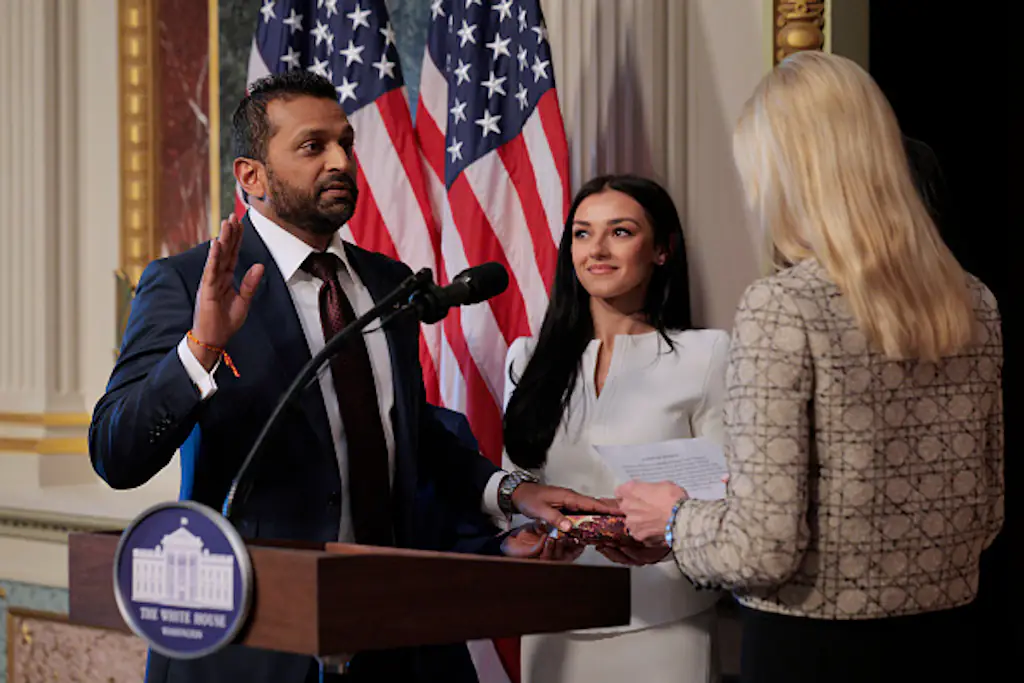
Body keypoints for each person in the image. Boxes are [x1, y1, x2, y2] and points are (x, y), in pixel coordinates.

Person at [89, 71, 614, 683]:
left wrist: (510, 493)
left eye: (346, 143)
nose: (340, 161)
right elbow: (116, 453)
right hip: (255, 642)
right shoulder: (188, 283)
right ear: (251, 176)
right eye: (313, 146)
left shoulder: (388, 282)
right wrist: (200, 347)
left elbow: (405, 435)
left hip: (394, 635)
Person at [616, 52, 1004, 683]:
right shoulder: (975, 300)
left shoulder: (783, 306)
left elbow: (761, 549)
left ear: (791, 174)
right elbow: (986, 513)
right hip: (949, 641)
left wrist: (676, 517)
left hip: (812, 647)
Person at [502, 174, 729, 683]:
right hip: (552, 620)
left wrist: (672, 537)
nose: (597, 250)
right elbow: (515, 491)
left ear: (662, 250)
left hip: (664, 621)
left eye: (620, 232)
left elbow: (730, 499)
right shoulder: (526, 358)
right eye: (582, 233)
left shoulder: (708, 354)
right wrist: (530, 540)